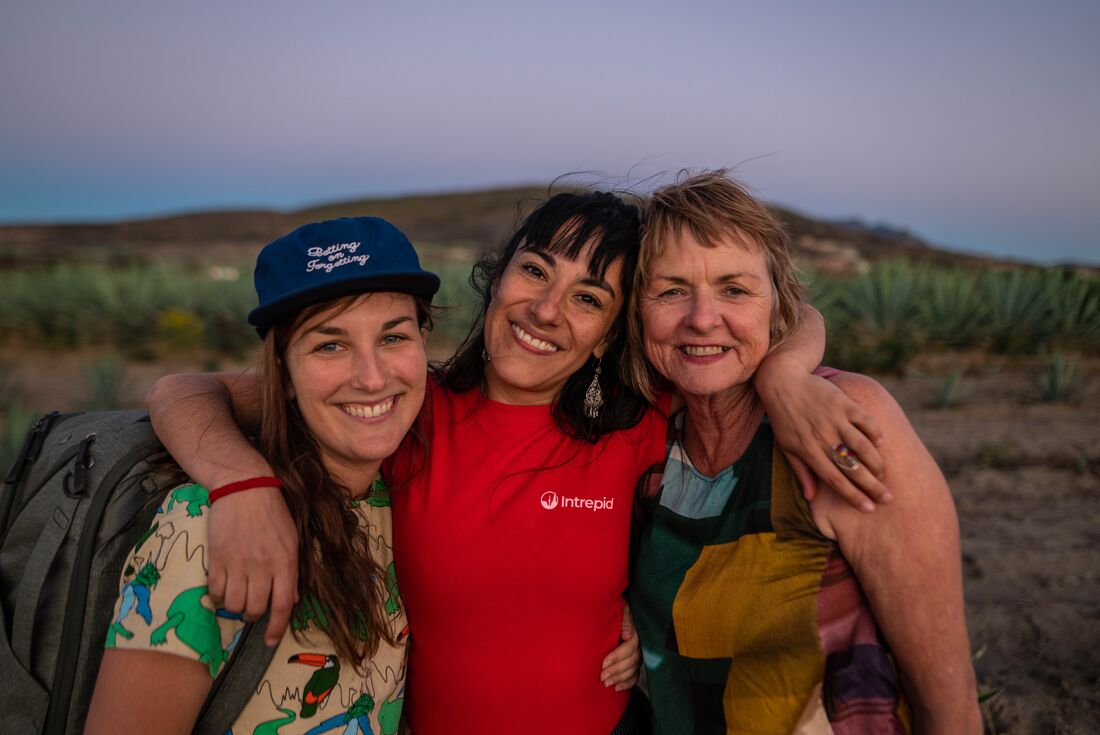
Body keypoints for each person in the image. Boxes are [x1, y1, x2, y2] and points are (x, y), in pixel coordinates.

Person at [145, 190, 889, 734]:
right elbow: (182, 391)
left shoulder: (636, 424)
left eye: (588, 298)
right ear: (498, 277)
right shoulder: (407, 408)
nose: (546, 310)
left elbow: (791, 315)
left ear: (608, 336)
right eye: (535, 272)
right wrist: (242, 484)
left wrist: (786, 374)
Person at [626, 171, 982, 734]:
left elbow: (951, 707)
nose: (702, 318)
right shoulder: (643, 443)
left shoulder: (841, 420)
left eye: (735, 290)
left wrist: (785, 374)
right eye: (671, 291)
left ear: (777, 304)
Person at [85, 216, 440, 735]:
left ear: (423, 342)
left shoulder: (406, 486)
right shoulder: (209, 527)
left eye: (393, 337)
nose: (372, 377)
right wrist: (244, 486)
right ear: (284, 371)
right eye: (330, 345)